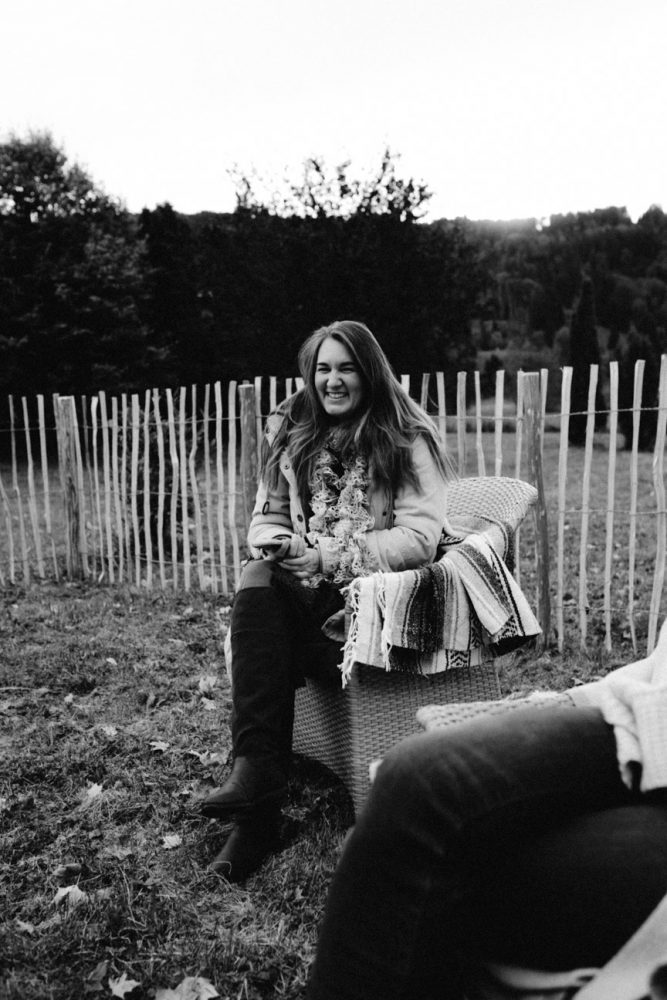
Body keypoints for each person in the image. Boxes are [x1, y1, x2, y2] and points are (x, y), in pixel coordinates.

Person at [200, 320, 455, 882]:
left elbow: (418, 540)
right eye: (322, 369)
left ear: (369, 372)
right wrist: (277, 542)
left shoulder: (408, 437)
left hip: (371, 608)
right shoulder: (295, 436)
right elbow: (266, 516)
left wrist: (326, 557)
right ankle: (259, 786)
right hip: (304, 593)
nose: (333, 381)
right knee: (259, 577)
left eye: (346, 368)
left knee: (262, 636)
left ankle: (258, 804)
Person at [306, 624, 667, 1000]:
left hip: (651, 731)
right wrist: (567, 701)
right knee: (419, 781)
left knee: (424, 788)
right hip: (644, 714)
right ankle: (255, 778)